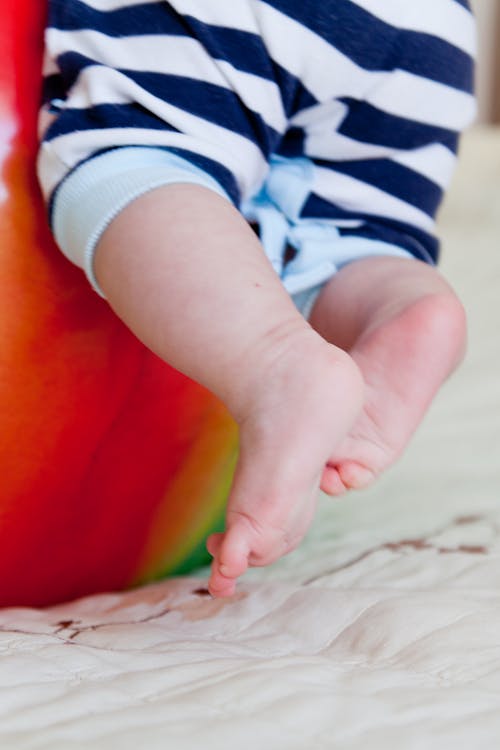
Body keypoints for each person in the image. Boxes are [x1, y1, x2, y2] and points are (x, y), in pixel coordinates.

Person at [38, 0, 476, 597]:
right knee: (351, 237)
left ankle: (275, 362)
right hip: (428, 29)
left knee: (134, 160)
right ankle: (399, 301)